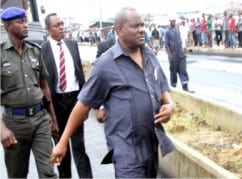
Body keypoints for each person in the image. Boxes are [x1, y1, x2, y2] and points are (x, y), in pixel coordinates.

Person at [50, 7, 175, 178]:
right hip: (126, 153)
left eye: (142, 25)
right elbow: (83, 105)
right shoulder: (105, 65)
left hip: (151, 146)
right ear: (119, 30)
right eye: (135, 26)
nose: (141, 30)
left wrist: (170, 105)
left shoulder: (149, 54)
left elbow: (162, 85)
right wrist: (63, 142)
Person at [0, 7, 58, 178]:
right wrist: (2, 129)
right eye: (20, 22)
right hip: (14, 124)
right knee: (17, 174)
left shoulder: (35, 50)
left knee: (49, 172)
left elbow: (44, 86)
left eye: (25, 21)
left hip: (40, 119)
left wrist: (53, 120)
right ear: (8, 26)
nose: (26, 25)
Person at [41, 13, 93, 178]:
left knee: (79, 146)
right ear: (48, 28)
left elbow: (79, 73)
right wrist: (48, 113)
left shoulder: (72, 44)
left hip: (75, 101)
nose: (62, 27)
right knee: (61, 146)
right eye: (57, 25)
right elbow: (42, 82)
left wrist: (85, 101)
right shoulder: (42, 50)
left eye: (62, 23)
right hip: (56, 104)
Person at [165, 16, 194, 93]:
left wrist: (183, 52)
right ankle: (173, 88)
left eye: (174, 20)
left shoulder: (177, 30)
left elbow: (180, 42)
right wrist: (170, 56)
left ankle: (185, 87)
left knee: (183, 69)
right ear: (170, 21)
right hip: (173, 54)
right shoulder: (167, 32)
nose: (173, 22)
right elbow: (167, 45)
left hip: (180, 53)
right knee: (173, 71)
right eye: (172, 20)